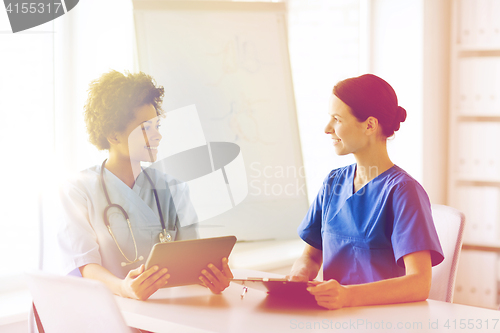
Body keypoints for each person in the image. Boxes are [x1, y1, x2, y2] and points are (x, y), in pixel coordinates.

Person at [58, 70, 232, 301]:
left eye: (157, 126)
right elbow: (84, 265)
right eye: (145, 128)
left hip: (168, 311)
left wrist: (212, 279)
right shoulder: (79, 190)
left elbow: (192, 260)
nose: (157, 136)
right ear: (113, 135)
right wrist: (123, 288)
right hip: (112, 310)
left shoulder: (174, 189)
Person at [289, 74, 444, 310]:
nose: (327, 128)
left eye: (337, 119)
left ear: (370, 125)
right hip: (334, 319)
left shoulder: (403, 192)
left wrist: (348, 296)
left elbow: (419, 283)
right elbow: (311, 256)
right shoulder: (333, 182)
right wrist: (299, 277)